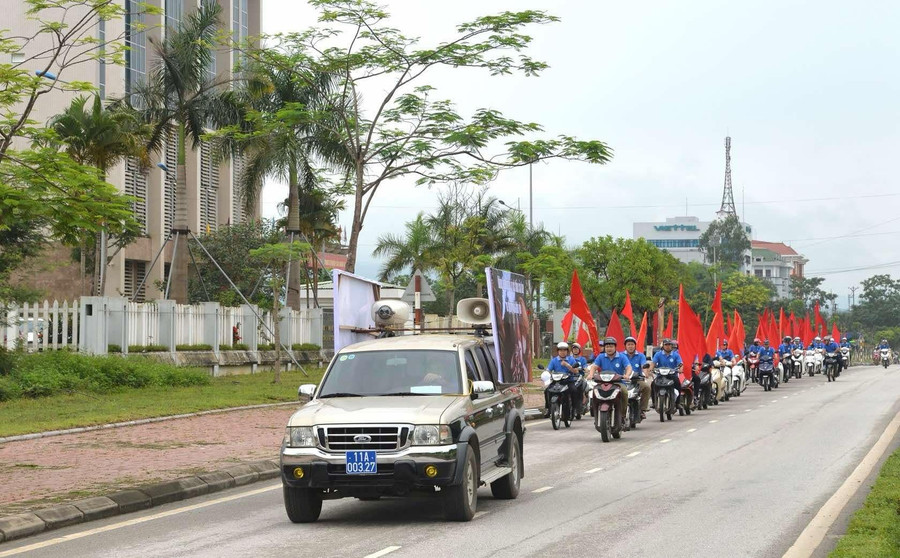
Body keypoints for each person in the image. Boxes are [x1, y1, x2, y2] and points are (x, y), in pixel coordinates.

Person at [590, 337, 633, 429]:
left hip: (618, 383)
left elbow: (628, 367)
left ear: (615, 347)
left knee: (624, 392)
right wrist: (591, 374)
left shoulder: (622, 357)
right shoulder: (601, 357)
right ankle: (595, 414)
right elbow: (594, 367)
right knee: (594, 392)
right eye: (607, 346)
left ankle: (623, 414)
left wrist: (627, 375)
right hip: (602, 383)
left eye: (611, 346)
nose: (609, 348)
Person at [545, 342, 578, 416]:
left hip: (568, 381)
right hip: (556, 381)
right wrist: (546, 374)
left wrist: (567, 365)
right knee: (547, 390)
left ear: (567, 351)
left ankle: (574, 409)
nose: (562, 352)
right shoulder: (554, 360)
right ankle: (548, 408)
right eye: (560, 350)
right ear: (558, 351)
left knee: (574, 390)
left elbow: (576, 371)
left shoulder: (571, 359)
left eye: (564, 350)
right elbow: (549, 370)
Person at [622, 336, 651, 419]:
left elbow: (643, 366)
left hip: (636, 380)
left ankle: (642, 410)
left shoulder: (641, 356)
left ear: (635, 346)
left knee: (646, 387)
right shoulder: (621, 355)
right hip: (623, 380)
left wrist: (645, 373)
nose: (630, 346)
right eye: (628, 344)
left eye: (632, 344)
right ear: (625, 346)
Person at [650, 338, 683, 410]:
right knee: (653, 384)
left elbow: (680, 364)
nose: (668, 346)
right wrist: (651, 369)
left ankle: (677, 403)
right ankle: (654, 402)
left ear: (671, 346)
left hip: (672, 375)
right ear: (663, 346)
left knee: (678, 384)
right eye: (666, 345)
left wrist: (680, 369)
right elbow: (653, 363)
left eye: (669, 345)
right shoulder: (658, 354)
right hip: (660, 375)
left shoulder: (676, 355)